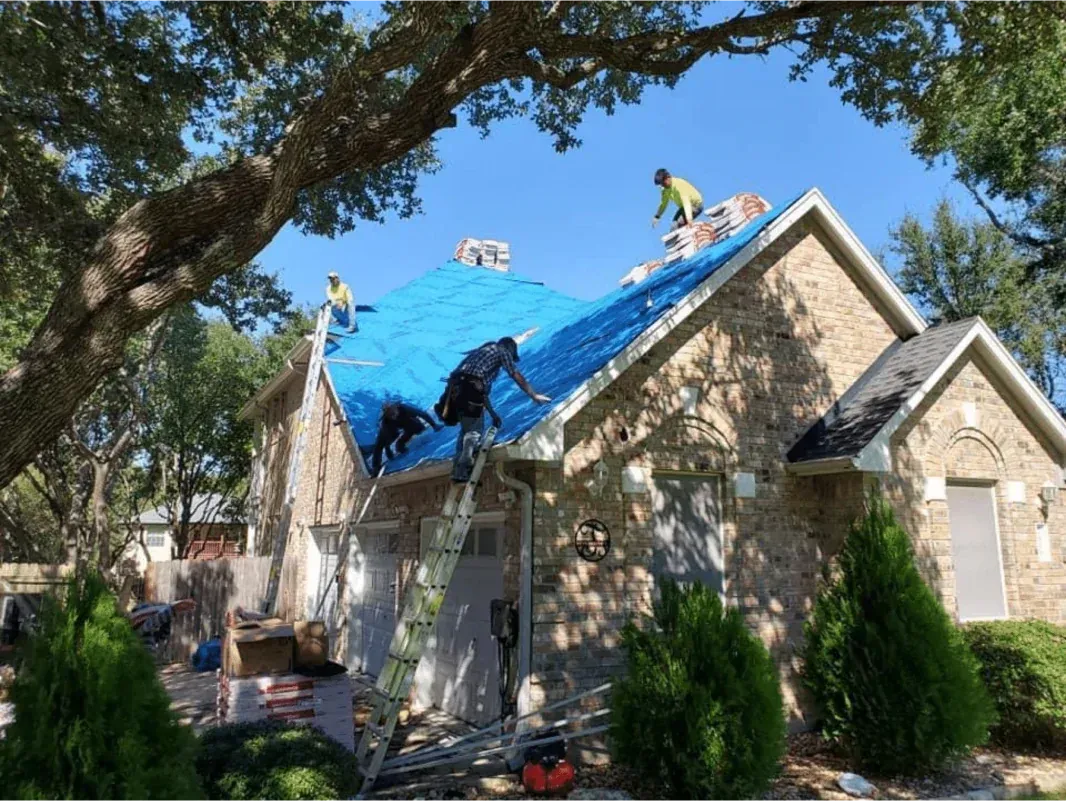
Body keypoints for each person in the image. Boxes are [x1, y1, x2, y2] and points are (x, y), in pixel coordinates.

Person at [435, 337, 550, 482]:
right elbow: (515, 374)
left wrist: (492, 414)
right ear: (510, 348)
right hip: (469, 389)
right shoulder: (502, 350)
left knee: (466, 430)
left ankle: (458, 472)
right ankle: (466, 463)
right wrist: (533, 395)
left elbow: (480, 393)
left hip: (454, 392)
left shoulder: (478, 355)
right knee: (473, 432)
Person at [370, 400, 442, 475]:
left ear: (396, 408)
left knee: (418, 428)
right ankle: (376, 466)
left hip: (406, 421)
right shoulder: (385, 423)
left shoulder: (404, 408)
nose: (393, 416)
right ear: (386, 415)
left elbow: (422, 414)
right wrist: (387, 450)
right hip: (392, 429)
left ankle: (400, 442)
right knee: (384, 440)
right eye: (390, 414)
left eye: (393, 412)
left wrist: (434, 425)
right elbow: (380, 444)